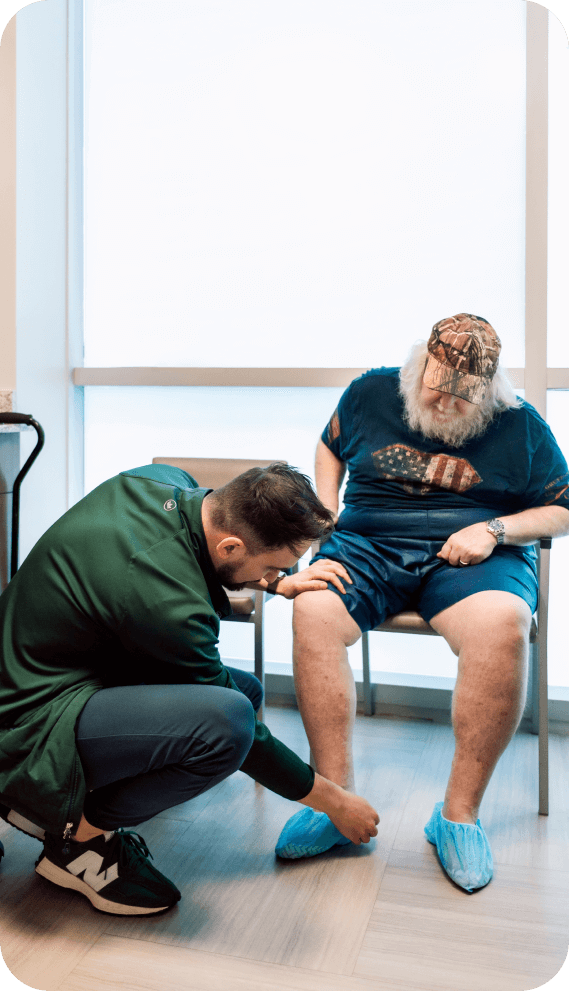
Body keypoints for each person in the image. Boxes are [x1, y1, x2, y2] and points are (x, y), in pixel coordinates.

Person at [0, 462, 379, 915]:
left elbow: (204, 559)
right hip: (29, 722)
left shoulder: (161, 480)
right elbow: (247, 741)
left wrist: (276, 582)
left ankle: (88, 806)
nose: (280, 573)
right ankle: (75, 838)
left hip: (58, 668)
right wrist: (335, 801)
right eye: (277, 564)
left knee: (246, 692)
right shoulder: (170, 604)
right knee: (229, 724)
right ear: (232, 546)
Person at [274, 313, 569, 892]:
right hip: (367, 542)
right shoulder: (369, 392)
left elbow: (563, 507)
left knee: (505, 624)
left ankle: (458, 817)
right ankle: (333, 801)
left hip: (471, 551)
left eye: (461, 397)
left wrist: (498, 530)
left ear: (488, 391)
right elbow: (330, 445)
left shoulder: (522, 426)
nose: (443, 401)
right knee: (312, 608)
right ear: (418, 364)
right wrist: (325, 512)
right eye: (435, 385)